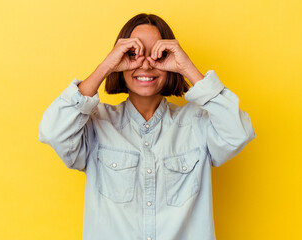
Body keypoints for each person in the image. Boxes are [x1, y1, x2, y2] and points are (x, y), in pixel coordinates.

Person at [38, 13, 256, 240]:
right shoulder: (96, 125)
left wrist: (187, 67)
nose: (145, 64)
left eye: (158, 54)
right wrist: (105, 67)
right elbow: (52, 131)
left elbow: (239, 132)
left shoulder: (197, 124)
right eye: (133, 54)